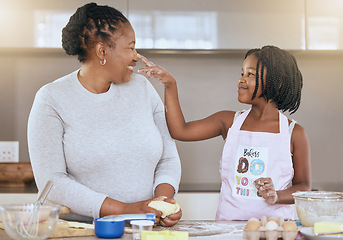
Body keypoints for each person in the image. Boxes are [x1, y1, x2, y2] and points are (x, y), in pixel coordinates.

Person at [27, 3, 181, 226]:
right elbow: (52, 182)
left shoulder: (143, 89)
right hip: (82, 231)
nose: (136, 56)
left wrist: (162, 202)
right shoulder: (51, 99)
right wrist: (126, 210)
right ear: (102, 51)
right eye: (130, 47)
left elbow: (168, 158)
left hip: (143, 228)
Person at [137, 45, 311, 220]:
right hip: (227, 228)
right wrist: (170, 85)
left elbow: (303, 186)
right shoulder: (228, 121)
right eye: (242, 73)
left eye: (250, 74)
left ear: (277, 82)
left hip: (276, 228)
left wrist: (277, 195)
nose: (241, 80)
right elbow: (180, 131)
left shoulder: (294, 133)